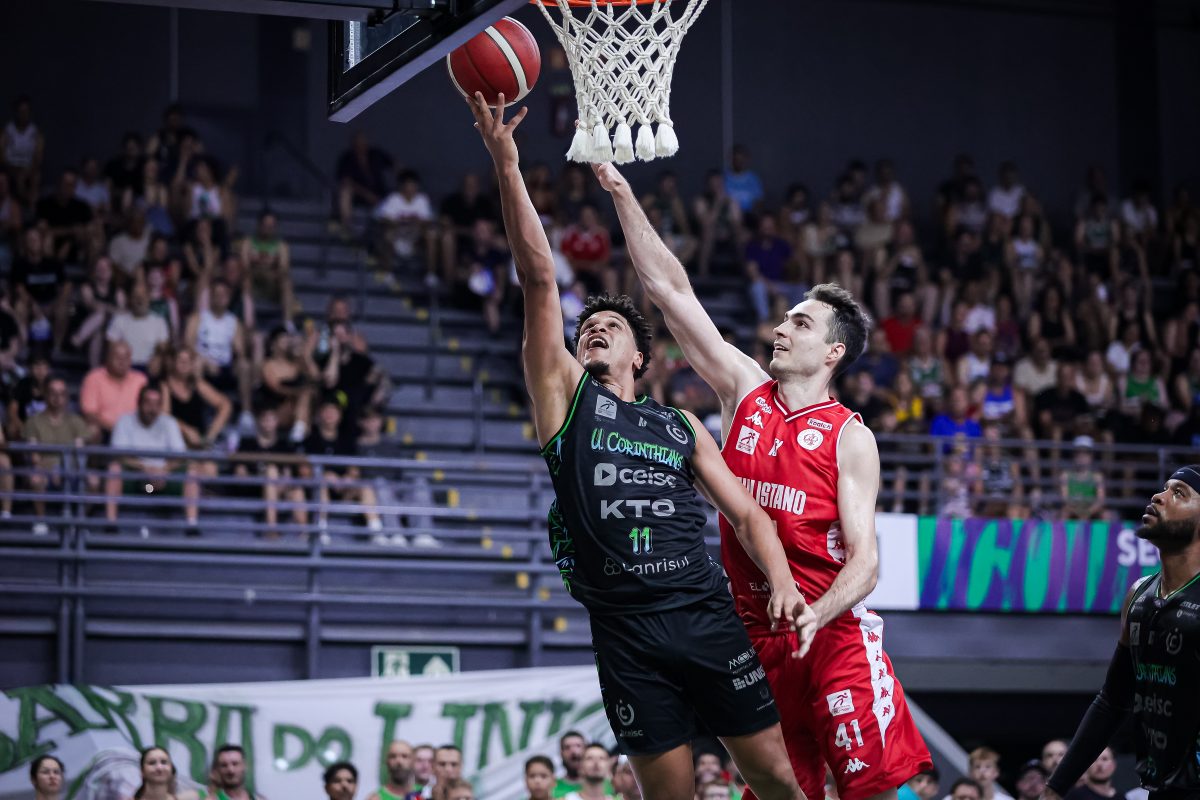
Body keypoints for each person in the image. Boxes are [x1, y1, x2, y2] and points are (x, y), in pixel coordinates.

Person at [469, 93, 810, 800]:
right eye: (586, 326)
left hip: (704, 612)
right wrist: (506, 163)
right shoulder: (566, 402)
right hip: (626, 633)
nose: (594, 328)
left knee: (776, 777)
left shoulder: (679, 425)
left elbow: (748, 515)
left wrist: (780, 581)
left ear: (640, 358)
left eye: (611, 327)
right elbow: (538, 276)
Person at [589, 154, 932, 800]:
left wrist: (816, 614)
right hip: (754, 644)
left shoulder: (851, 436)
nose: (780, 328)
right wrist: (623, 194)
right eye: (784, 318)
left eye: (800, 323)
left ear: (833, 352)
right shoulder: (744, 390)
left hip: (832, 636)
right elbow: (671, 293)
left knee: (875, 792)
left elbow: (866, 564)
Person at [1044, 465, 1200, 800]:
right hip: (1161, 788)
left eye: (1179, 493)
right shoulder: (1138, 595)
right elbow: (1112, 702)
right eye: (1164, 488)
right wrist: (1055, 788)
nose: (1158, 496)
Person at [106, 384, 204, 531]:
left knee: (192, 472)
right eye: (148, 403)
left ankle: (192, 525)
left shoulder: (169, 422)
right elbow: (119, 455)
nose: (152, 408)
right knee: (114, 469)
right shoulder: (124, 421)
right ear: (139, 403)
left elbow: (180, 456)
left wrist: (164, 470)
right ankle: (110, 524)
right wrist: (144, 469)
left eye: (157, 404)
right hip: (136, 479)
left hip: (163, 480)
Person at [24, 376, 93, 534]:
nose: (57, 398)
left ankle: (78, 522)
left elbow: (79, 456)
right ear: (45, 395)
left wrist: (63, 470)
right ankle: (40, 521)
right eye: (53, 393)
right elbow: (34, 457)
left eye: (62, 393)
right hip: (45, 472)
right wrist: (53, 469)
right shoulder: (33, 421)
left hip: (70, 471)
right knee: (35, 478)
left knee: (94, 481)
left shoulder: (76, 421)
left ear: (67, 397)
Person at [81, 340, 149, 439]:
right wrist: (117, 430)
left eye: (126, 358)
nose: (122, 362)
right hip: (105, 431)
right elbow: (90, 414)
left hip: (136, 431)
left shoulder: (141, 380)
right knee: (92, 430)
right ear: (107, 358)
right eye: (117, 357)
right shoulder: (94, 378)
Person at [125, 746, 202, 800]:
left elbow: (204, 793)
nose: (159, 767)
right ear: (142, 771)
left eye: (164, 762)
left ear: (171, 770)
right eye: (152, 763)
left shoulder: (188, 797)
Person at [555, 732, 587, 797]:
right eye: (567, 747)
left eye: (578, 746)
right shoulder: (552, 787)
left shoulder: (605, 784)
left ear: (586, 750)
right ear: (561, 753)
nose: (573, 751)